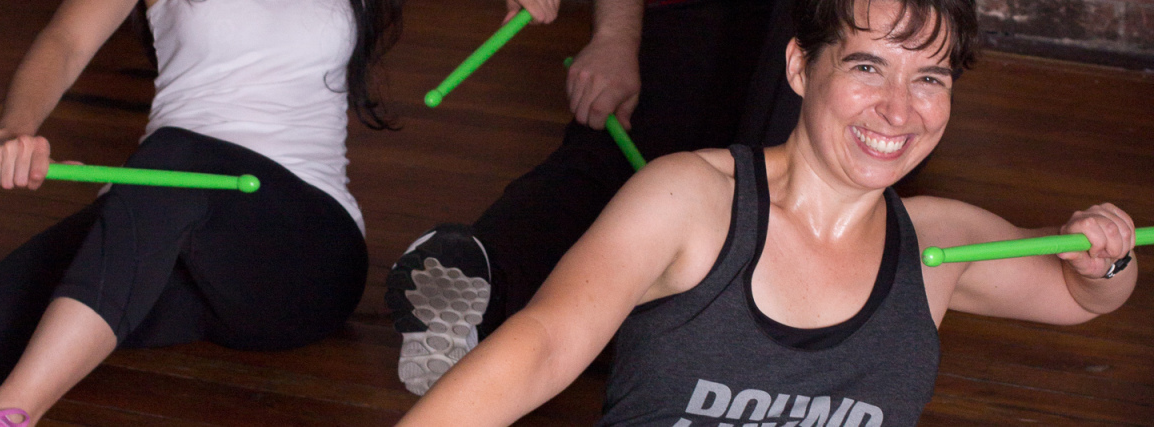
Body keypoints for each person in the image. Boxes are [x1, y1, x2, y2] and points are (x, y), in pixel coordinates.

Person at [395, 0, 1139, 423]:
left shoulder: (937, 245)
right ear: (799, 66)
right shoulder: (687, 200)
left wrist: (1107, 257)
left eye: (931, 79)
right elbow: (544, 347)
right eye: (867, 66)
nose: (898, 109)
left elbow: (1080, 293)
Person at [0, 0, 402, 424]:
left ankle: (11, 414)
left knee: (177, 158)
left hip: (300, 253)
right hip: (159, 217)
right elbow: (65, 40)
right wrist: (15, 130)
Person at [386, 0, 806, 395]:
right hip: (692, 15)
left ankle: (770, 327)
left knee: (775, 183)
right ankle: (481, 277)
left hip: (814, 27)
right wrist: (615, 37)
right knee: (610, 150)